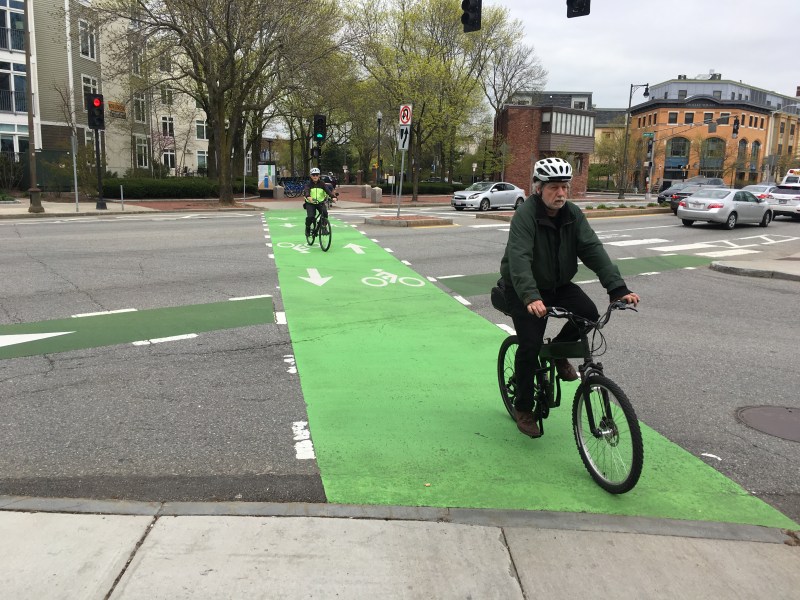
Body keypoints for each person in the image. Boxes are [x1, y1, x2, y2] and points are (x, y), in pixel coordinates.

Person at [499, 157, 640, 438]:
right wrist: (529, 296)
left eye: (564, 187)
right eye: (553, 187)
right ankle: (524, 408)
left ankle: (560, 352)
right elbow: (519, 259)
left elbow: (592, 250)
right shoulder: (525, 215)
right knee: (530, 347)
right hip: (522, 288)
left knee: (588, 312)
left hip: (558, 284)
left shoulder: (573, 214)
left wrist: (617, 289)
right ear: (538, 188)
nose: (561, 193)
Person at [302, 167, 338, 236]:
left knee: (324, 213)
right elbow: (306, 191)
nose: (315, 176)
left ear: (319, 176)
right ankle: (308, 228)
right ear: (311, 176)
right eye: (313, 175)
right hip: (310, 203)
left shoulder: (322, 184)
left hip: (320, 203)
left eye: (316, 175)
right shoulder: (308, 184)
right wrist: (308, 197)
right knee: (311, 217)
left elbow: (328, 191)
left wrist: (333, 197)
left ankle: (323, 228)